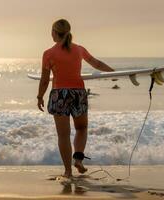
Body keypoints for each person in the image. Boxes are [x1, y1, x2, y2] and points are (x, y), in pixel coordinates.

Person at [37, 19, 114, 178]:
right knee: (81, 128)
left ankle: (68, 171)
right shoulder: (79, 49)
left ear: (54, 32)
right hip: (78, 93)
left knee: (63, 135)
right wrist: (112, 73)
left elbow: (45, 80)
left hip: (60, 95)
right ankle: (78, 158)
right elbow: (97, 63)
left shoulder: (48, 53)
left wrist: (39, 96)